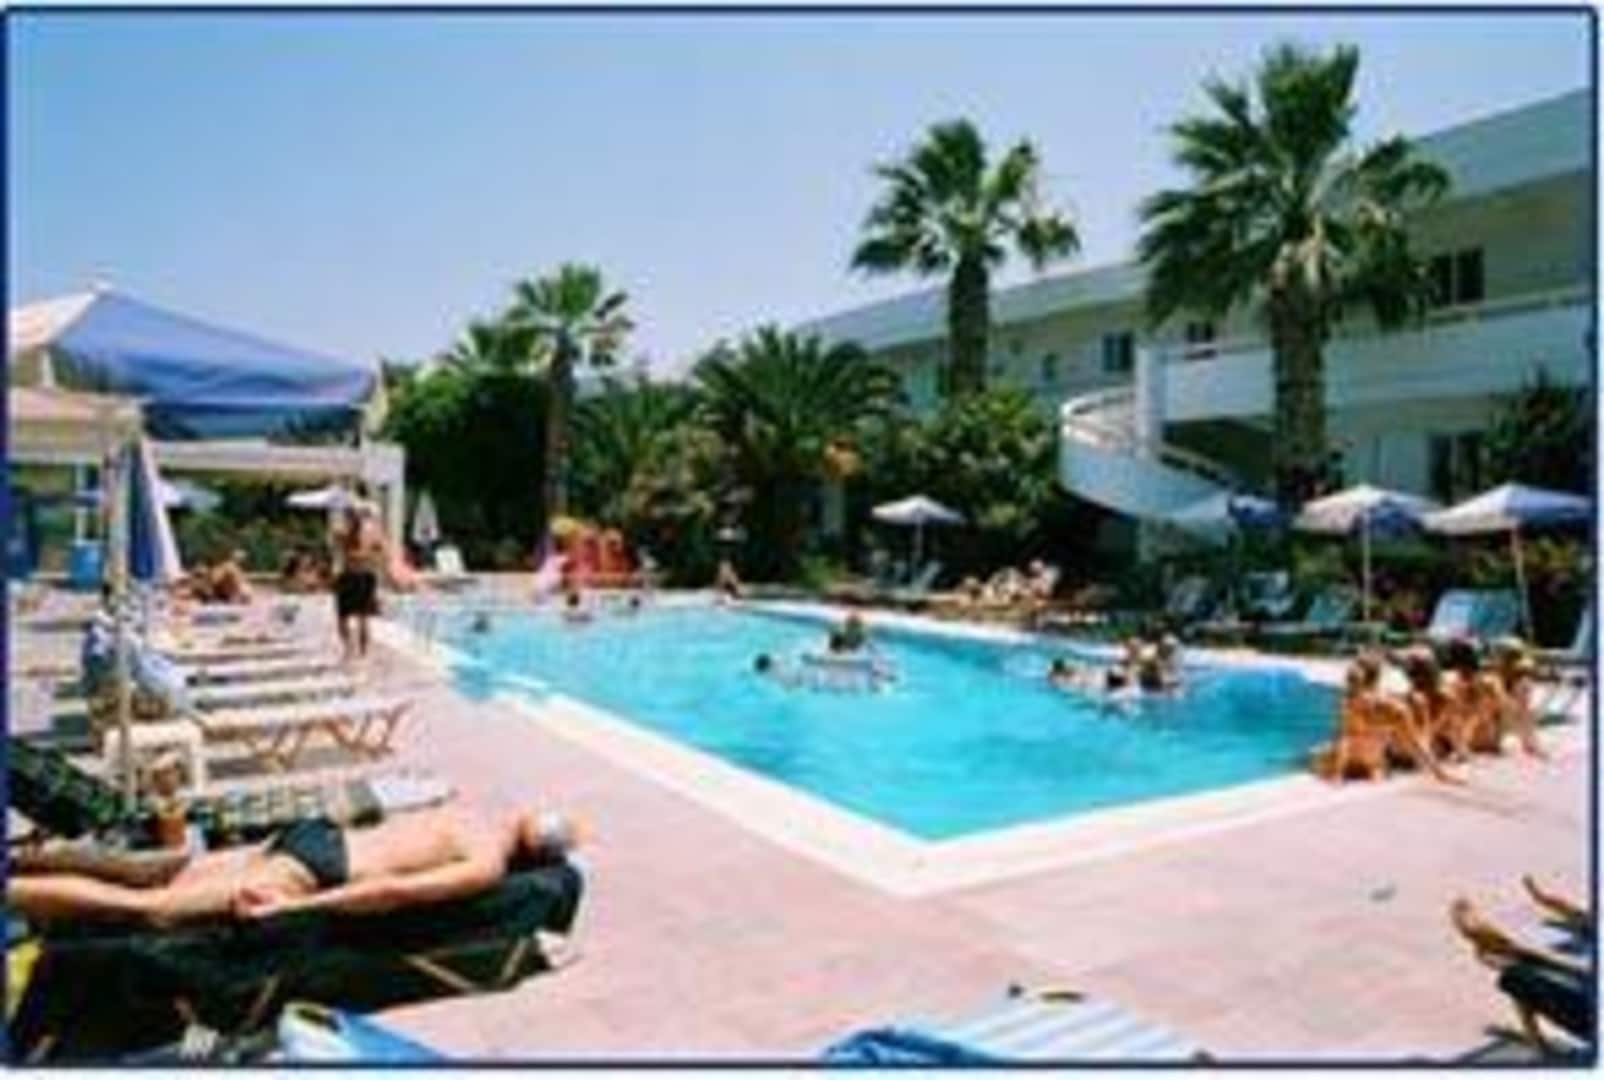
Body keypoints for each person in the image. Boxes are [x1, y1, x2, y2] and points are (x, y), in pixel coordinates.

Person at [8, 803, 581, 929]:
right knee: (151, 909)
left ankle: (25, 861)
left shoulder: (466, 811)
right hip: (323, 865)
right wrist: (297, 907)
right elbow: (390, 892)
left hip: (315, 834)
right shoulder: (486, 864)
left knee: (153, 872)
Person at [329, 504, 387, 663]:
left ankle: (359, 652)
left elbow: (381, 552)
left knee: (360, 618)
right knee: (347, 617)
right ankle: (352, 650)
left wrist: (362, 555)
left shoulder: (366, 533)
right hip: (354, 576)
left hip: (360, 576)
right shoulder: (347, 532)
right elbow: (381, 552)